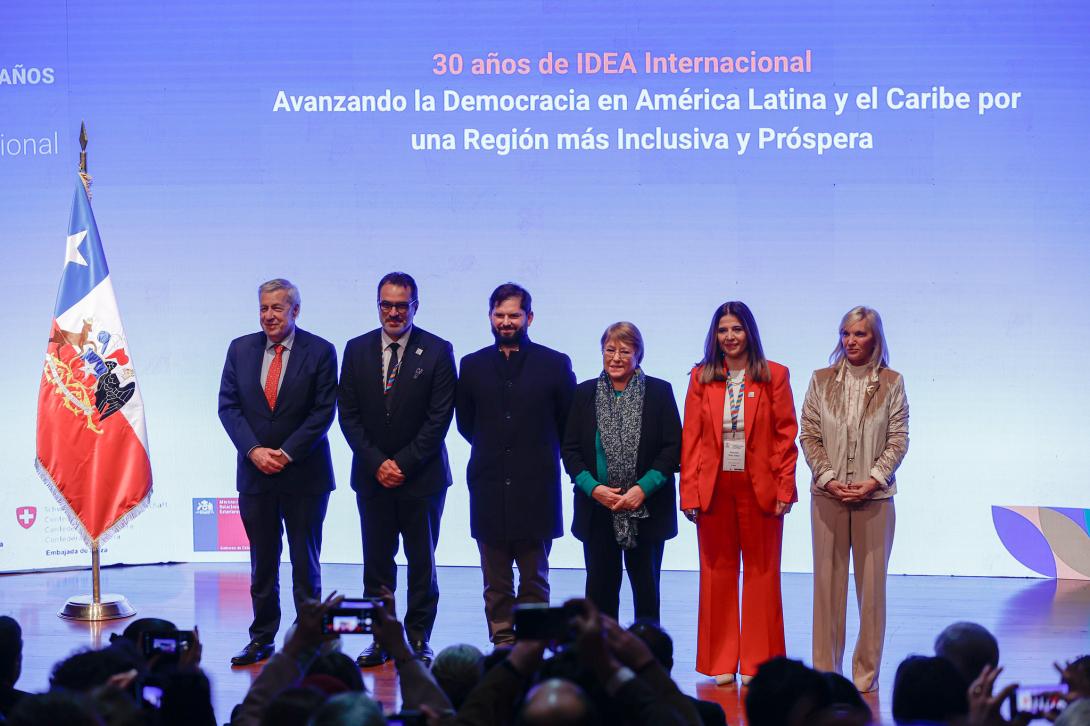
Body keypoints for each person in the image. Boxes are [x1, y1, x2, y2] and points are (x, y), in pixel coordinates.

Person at [338, 271, 456, 667]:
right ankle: (381, 638)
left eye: (401, 306)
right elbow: (348, 415)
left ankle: (419, 638)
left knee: (422, 563)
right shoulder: (355, 349)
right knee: (376, 563)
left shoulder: (438, 350)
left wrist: (401, 464)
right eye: (386, 305)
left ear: (415, 307)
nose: (393, 312)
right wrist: (378, 463)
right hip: (372, 479)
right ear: (378, 305)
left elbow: (439, 418)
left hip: (421, 479)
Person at [218, 278, 338, 667]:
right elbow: (228, 406)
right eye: (264, 308)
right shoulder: (240, 349)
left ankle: (308, 638)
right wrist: (254, 450)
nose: (269, 316)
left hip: (304, 475)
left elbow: (323, 412)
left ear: (295, 311)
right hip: (256, 476)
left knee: (306, 564)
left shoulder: (321, 351)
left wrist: (285, 453)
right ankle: (262, 637)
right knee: (262, 563)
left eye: (277, 308)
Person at [679, 301, 798, 686]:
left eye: (737, 329)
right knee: (716, 573)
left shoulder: (774, 376)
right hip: (714, 489)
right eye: (723, 330)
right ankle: (720, 662)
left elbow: (785, 436)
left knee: (763, 574)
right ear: (715, 336)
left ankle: (758, 664)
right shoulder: (701, 378)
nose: (730, 337)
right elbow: (691, 440)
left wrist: (785, 487)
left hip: (758, 487)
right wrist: (690, 494)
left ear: (750, 333)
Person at [455, 283, 575, 646]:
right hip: (489, 482)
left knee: (535, 574)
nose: (506, 322)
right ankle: (503, 638)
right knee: (495, 577)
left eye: (514, 315)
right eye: (500, 315)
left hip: (536, 484)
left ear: (529, 317)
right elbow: (466, 423)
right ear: (490, 317)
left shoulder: (554, 364)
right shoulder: (472, 365)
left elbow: (567, 421)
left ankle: (534, 640)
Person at [800, 305, 908, 693]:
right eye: (846, 333)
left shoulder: (892, 383)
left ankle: (865, 676)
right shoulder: (820, 380)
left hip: (874, 500)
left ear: (875, 338)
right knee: (827, 590)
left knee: (871, 592)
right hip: (826, 497)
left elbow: (899, 439)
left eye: (860, 334)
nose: (851, 341)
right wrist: (828, 479)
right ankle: (827, 674)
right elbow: (809, 434)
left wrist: (873, 480)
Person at [562, 322, 681, 623]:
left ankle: (648, 660)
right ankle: (600, 661)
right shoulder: (584, 393)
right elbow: (571, 450)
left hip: (646, 508)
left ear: (638, 355)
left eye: (625, 351)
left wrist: (642, 489)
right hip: (597, 508)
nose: (616, 357)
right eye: (609, 350)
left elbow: (672, 448)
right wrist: (593, 488)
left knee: (646, 592)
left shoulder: (659, 392)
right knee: (600, 593)